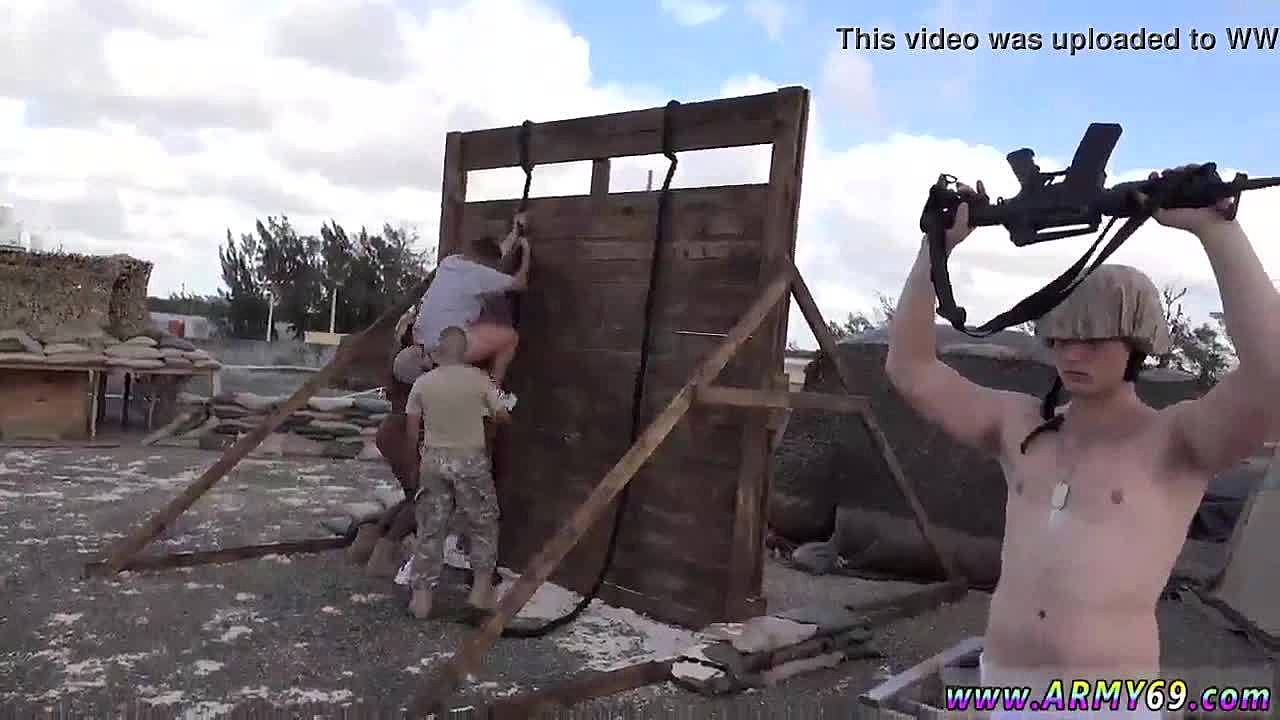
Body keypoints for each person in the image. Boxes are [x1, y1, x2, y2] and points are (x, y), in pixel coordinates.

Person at [886, 167, 1280, 718]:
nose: (1072, 355)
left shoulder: (1175, 442)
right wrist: (935, 248)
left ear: (1136, 343)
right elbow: (910, 369)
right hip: (1004, 690)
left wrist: (1217, 230)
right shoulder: (1019, 424)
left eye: (1093, 339)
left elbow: (1271, 376)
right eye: (1062, 338)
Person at [404, 325, 510, 619]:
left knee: (430, 526)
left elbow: (411, 431)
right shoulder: (479, 379)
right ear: (465, 352)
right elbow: (501, 414)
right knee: (482, 523)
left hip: (433, 459)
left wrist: (415, 463)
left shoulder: (423, 383)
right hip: (470, 459)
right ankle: (479, 593)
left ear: (440, 351)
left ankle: (422, 599)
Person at [393, 214, 531, 391]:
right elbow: (520, 283)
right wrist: (526, 249)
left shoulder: (450, 262)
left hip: (421, 339)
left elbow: (497, 254)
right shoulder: (479, 274)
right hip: (441, 349)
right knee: (510, 338)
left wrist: (515, 232)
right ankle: (493, 394)